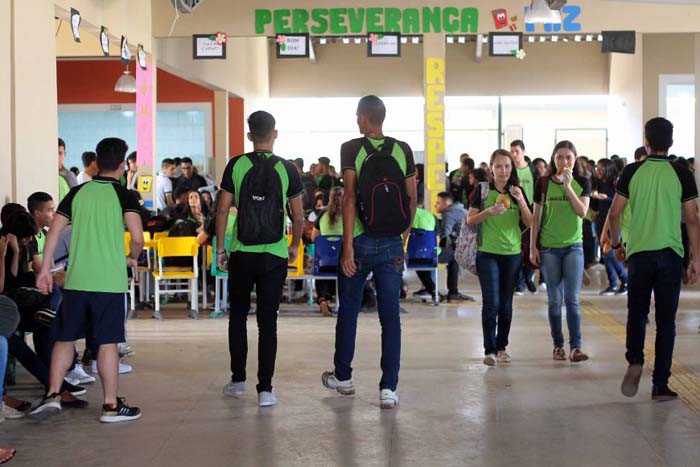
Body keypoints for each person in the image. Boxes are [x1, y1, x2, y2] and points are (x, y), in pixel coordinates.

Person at [32, 137, 144, 423]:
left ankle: (53, 394)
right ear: (122, 165)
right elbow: (138, 238)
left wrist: (45, 269)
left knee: (64, 336)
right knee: (107, 342)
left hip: (77, 279)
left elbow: (54, 232)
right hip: (109, 281)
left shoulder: (77, 193)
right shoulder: (125, 196)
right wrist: (131, 256)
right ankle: (109, 406)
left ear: (96, 162)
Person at [321, 95, 417, 409]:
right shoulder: (402, 150)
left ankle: (344, 377)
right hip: (391, 243)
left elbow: (349, 198)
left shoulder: (352, 148)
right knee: (390, 318)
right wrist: (400, 240)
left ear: (363, 117)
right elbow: (411, 200)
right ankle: (388, 388)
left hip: (360, 242)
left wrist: (347, 248)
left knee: (348, 311)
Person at [216, 111, 304, 408]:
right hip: (274, 255)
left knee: (238, 317)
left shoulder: (236, 165)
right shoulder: (287, 168)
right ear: (275, 134)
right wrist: (293, 245)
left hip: (242, 253)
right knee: (269, 323)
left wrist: (220, 249)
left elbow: (222, 210)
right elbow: (299, 215)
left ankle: (238, 381)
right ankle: (265, 389)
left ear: (250, 135)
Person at [612, 118, 699, 401]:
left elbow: (614, 213)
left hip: (639, 254)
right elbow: (692, 219)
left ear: (646, 141)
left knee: (637, 312)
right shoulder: (682, 173)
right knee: (666, 321)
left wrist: (616, 244)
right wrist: (695, 258)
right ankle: (660, 384)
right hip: (671, 255)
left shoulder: (632, 171)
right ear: (671, 142)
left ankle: (635, 359)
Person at [468, 150, 533, 366]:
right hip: (487, 253)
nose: (503, 170)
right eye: (498, 166)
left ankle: (502, 346)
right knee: (491, 303)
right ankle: (490, 350)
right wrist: (489, 212)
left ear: (512, 168)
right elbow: (470, 220)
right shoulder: (483, 190)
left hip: (512, 254)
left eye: (506, 166)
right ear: (491, 169)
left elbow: (531, 222)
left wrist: (521, 200)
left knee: (506, 304)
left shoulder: (517, 191)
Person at [530, 141, 591, 363]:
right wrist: (532, 248)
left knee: (572, 300)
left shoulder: (583, 182)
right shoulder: (543, 183)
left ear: (575, 159)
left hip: (574, 247)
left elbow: (582, 212)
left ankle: (576, 347)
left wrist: (567, 186)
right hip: (549, 249)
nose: (564, 162)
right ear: (553, 159)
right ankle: (558, 345)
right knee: (554, 301)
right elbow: (536, 218)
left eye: (568, 157)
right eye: (560, 157)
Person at [591, 159, 627, 295]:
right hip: (601, 220)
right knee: (606, 254)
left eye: (601, 169)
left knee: (611, 253)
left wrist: (606, 198)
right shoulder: (598, 184)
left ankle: (625, 280)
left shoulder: (616, 184)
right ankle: (612, 284)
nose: (598, 171)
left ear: (608, 170)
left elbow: (619, 204)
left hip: (614, 222)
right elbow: (595, 205)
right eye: (597, 169)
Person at [435, 192, 474, 302]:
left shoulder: (450, 214)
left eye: (438, 203)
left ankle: (451, 292)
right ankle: (452, 292)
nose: (435, 205)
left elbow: (444, 233)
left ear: (446, 204)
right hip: (468, 242)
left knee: (453, 257)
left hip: (468, 244)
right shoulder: (457, 210)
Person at [311, 186, 344, 317]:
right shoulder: (349, 215)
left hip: (324, 262)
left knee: (323, 261)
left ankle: (323, 299)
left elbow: (314, 238)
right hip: (343, 262)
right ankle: (341, 299)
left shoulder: (322, 215)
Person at [510, 140, 536, 295]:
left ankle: (528, 276)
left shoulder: (532, 170)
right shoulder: (510, 171)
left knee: (531, 246)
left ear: (523, 152)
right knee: (517, 248)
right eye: (511, 151)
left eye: (516, 151)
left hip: (532, 211)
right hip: (515, 212)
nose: (514, 154)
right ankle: (519, 283)